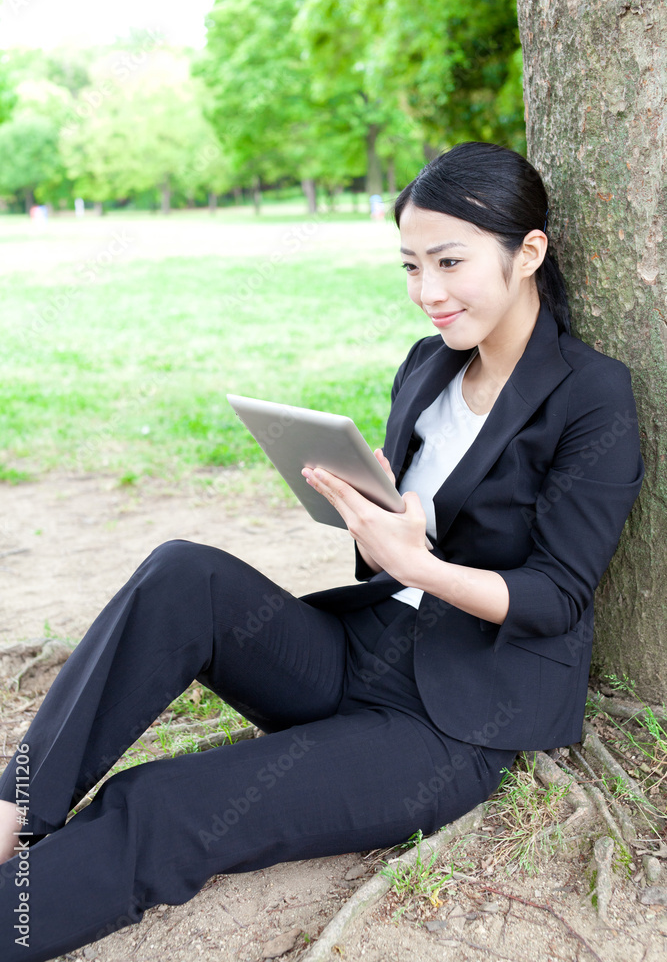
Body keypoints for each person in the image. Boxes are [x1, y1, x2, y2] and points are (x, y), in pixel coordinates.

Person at [0, 142, 643, 962]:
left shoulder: (591, 394)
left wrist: (418, 563)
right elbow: (391, 563)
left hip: (452, 725)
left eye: (449, 262)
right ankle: (16, 812)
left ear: (527, 252)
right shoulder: (427, 367)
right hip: (359, 649)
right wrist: (372, 516)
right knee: (180, 572)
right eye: (410, 265)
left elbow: (556, 594)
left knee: (165, 805)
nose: (428, 293)